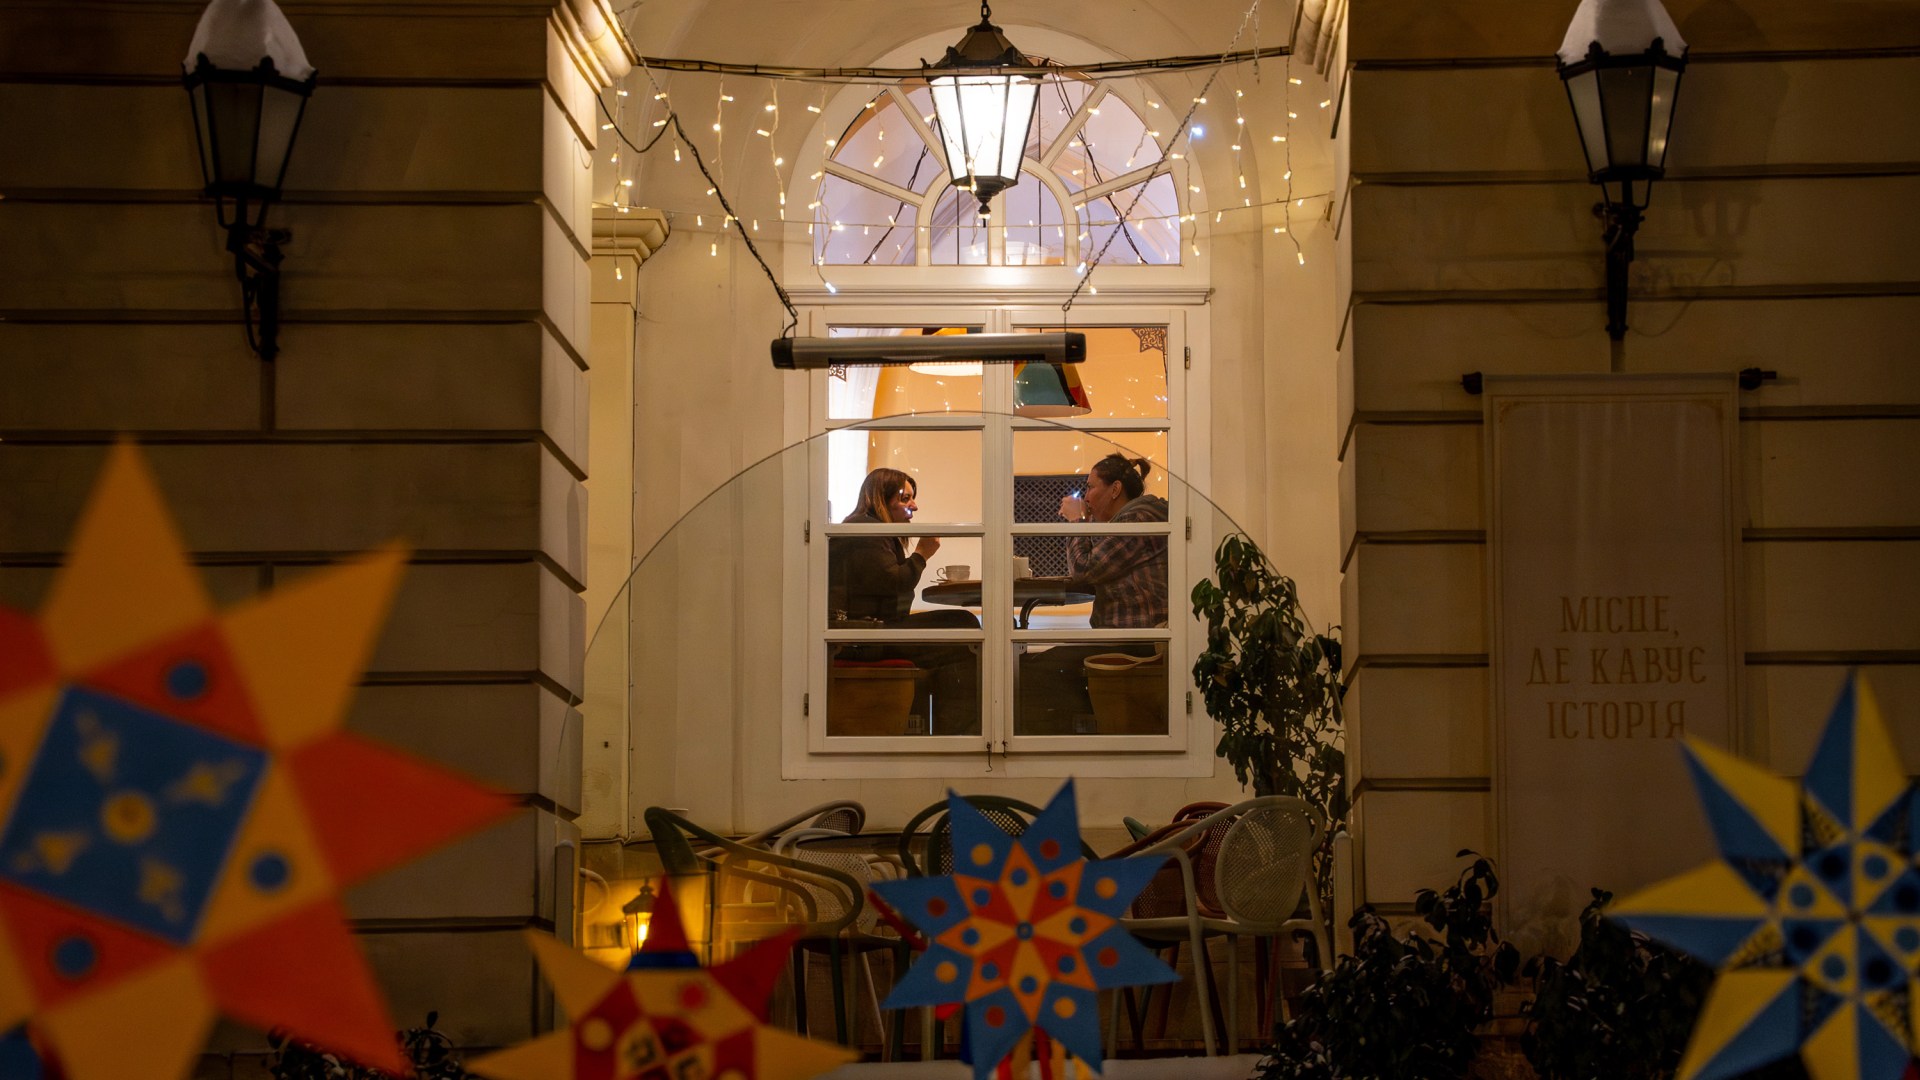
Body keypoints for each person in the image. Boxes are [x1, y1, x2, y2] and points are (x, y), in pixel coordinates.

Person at [1020, 454, 1169, 734]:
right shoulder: (1131, 519)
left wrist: (1077, 522)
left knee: (1036, 668)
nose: (1086, 495)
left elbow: (1085, 570)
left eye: (1090, 487)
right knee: (1040, 664)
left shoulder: (1139, 519)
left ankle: (1061, 747)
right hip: (1129, 636)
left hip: (1138, 638)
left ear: (1115, 489)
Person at [828, 468, 980, 734]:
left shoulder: (868, 528)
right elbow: (894, 582)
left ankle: (945, 723)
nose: (915, 506)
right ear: (881, 498)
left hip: (869, 632)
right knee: (964, 627)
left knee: (963, 624)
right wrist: (921, 554)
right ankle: (957, 728)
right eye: (906, 498)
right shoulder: (864, 531)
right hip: (863, 637)